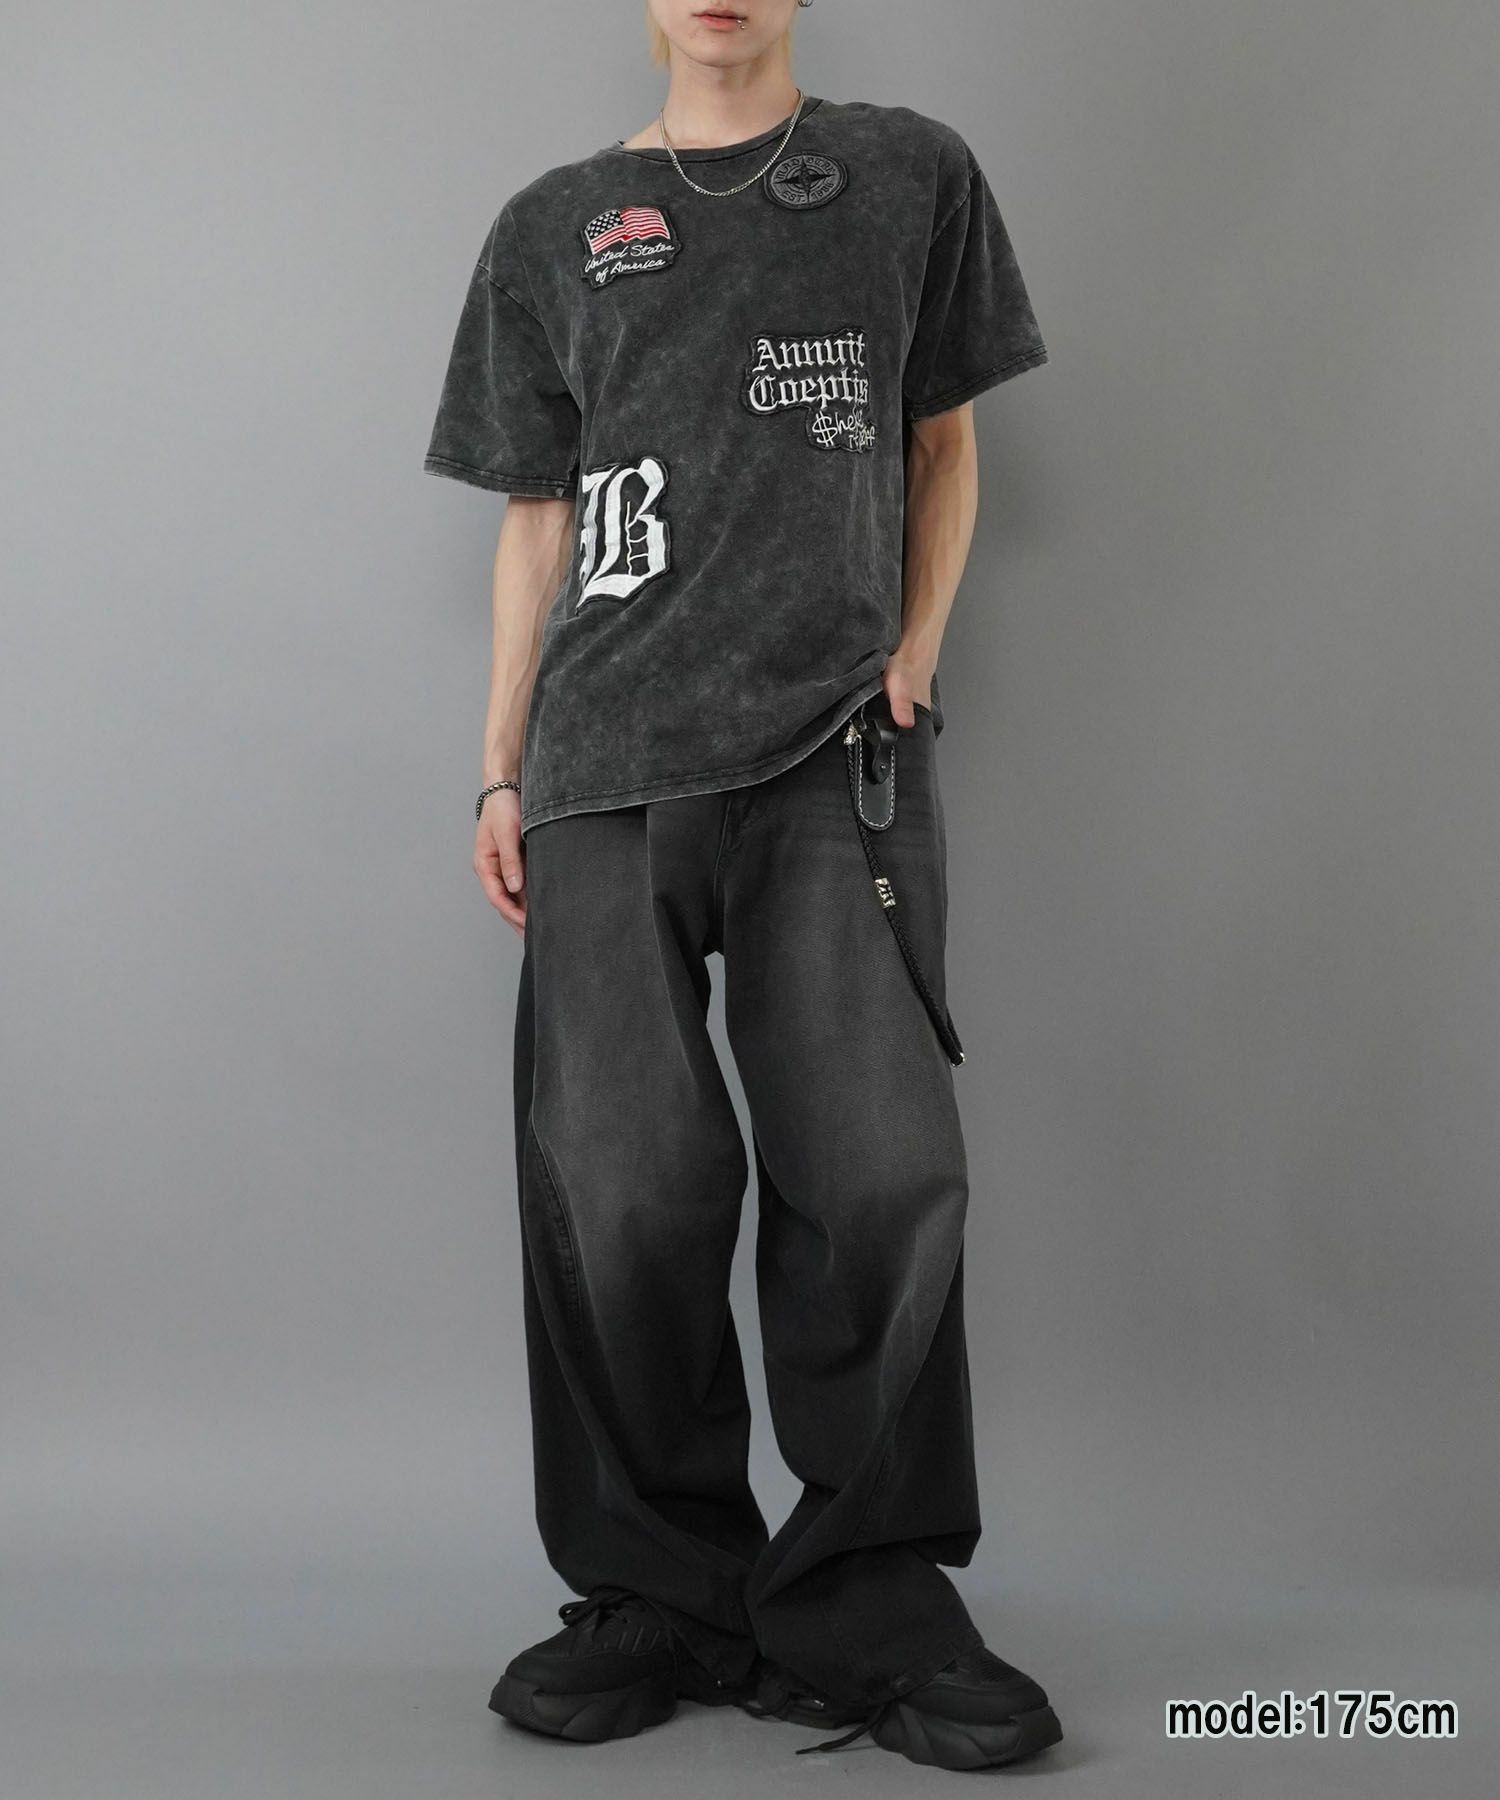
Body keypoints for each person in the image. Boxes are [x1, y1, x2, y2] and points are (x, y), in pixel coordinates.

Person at [423, 0, 1060, 1773]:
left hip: (835, 760)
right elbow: (536, 516)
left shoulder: (909, 176)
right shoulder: (552, 224)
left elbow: (944, 441)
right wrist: (500, 765)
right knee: (619, 1188)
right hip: (604, 770)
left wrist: (916, 649)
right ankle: (659, 1591)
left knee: (876, 1179)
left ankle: (871, 1600)